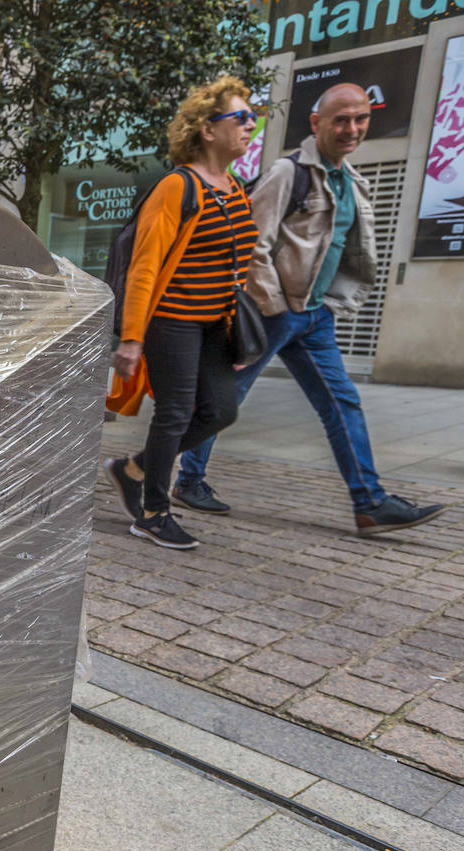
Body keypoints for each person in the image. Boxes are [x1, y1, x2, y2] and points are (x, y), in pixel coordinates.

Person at [174, 83, 446, 537]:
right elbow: (250, 245)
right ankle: (179, 477)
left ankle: (370, 503)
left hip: (315, 316)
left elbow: (345, 249)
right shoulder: (288, 172)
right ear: (316, 123)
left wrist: (334, 302)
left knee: (341, 402)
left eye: (361, 119)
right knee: (225, 400)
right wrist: (275, 305)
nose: (352, 128)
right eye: (341, 119)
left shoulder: (350, 180)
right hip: (272, 311)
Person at [104, 75, 259, 549]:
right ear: (208, 129)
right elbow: (145, 268)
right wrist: (131, 338)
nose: (250, 125)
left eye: (254, 117)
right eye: (241, 117)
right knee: (173, 414)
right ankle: (152, 512)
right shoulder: (177, 186)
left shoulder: (233, 189)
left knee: (220, 412)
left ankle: (132, 469)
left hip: (215, 324)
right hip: (170, 320)